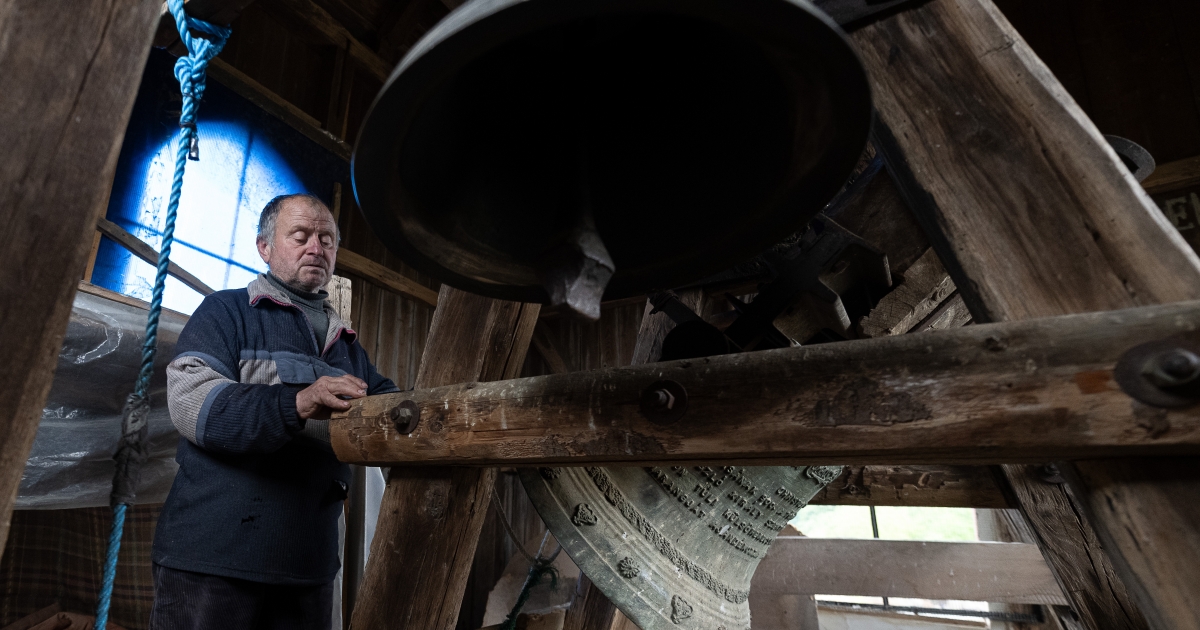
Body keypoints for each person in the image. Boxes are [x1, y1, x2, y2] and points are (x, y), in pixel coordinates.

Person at [150, 193, 398, 629]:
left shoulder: (349, 348)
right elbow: (192, 404)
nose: (316, 248)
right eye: (300, 236)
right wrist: (296, 402)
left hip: (308, 568)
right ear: (264, 247)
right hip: (216, 561)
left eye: (326, 240)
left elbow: (393, 412)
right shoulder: (226, 313)